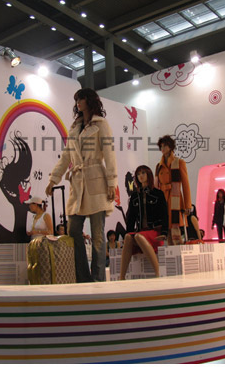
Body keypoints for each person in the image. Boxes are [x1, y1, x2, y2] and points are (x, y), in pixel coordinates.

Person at [45, 88, 117, 283]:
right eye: (77, 99)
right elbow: (66, 156)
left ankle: (98, 279)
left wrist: (112, 183)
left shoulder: (101, 125)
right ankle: (83, 278)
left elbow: (109, 154)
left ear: (90, 100)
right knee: (73, 230)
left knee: (98, 236)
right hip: (77, 183)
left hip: (96, 181)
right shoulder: (74, 127)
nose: (78, 102)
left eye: (82, 98)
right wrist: (53, 179)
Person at [120, 165, 169, 279]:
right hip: (141, 232)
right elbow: (131, 219)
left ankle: (158, 273)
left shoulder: (158, 194)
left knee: (138, 236)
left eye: (143, 173)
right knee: (128, 237)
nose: (140, 176)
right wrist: (129, 232)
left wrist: (164, 232)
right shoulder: (134, 196)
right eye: (138, 174)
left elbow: (164, 215)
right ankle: (121, 277)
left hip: (155, 232)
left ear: (148, 174)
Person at [155, 135, 192, 245]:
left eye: (165, 146)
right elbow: (156, 185)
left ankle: (178, 251)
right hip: (162, 198)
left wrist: (188, 205)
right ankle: (171, 252)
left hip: (174, 198)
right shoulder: (158, 166)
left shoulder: (179, 162)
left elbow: (185, 184)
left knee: (174, 227)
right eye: (161, 146)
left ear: (171, 147)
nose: (163, 148)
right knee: (166, 228)